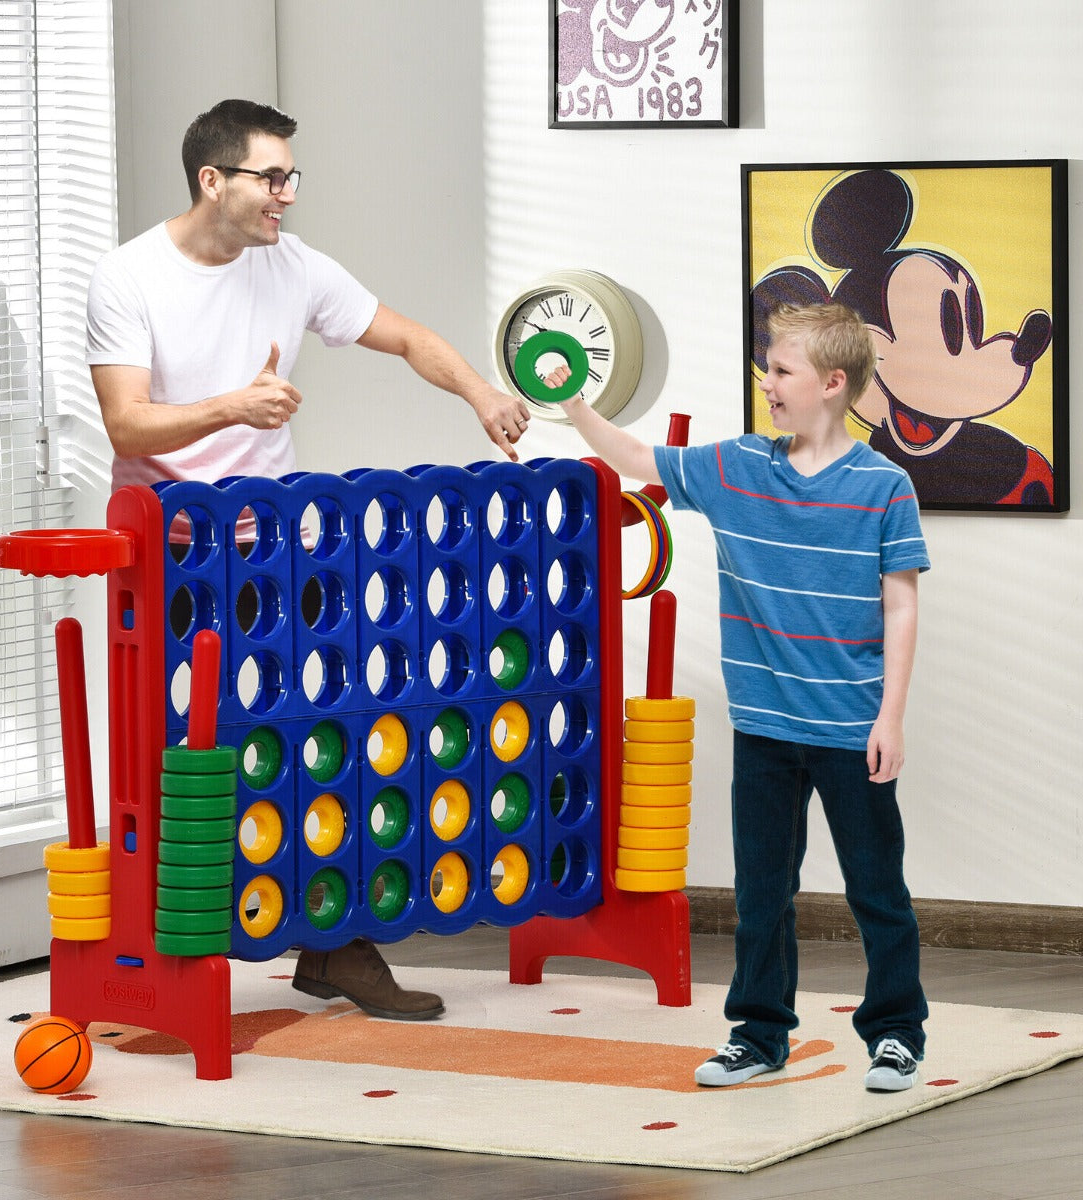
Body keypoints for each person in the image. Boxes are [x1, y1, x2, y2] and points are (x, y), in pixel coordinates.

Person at [85, 98, 534, 1022]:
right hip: (171, 555)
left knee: (316, 740)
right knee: (196, 762)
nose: (287, 194)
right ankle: (173, 953)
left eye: (292, 177)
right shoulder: (129, 278)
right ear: (213, 181)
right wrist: (231, 407)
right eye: (271, 177)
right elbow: (126, 423)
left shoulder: (291, 265)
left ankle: (335, 944)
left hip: (279, 549)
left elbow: (405, 335)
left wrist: (481, 394)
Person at [550, 302, 930, 1091]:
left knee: (877, 890)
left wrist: (890, 716)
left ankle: (896, 1033)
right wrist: (576, 403)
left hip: (850, 727)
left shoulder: (884, 486)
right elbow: (638, 459)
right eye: (767, 367)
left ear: (832, 384)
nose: (767, 382)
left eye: (781, 371)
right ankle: (759, 1037)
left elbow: (901, 602)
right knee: (763, 893)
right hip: (762, 728)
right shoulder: (736, 468)